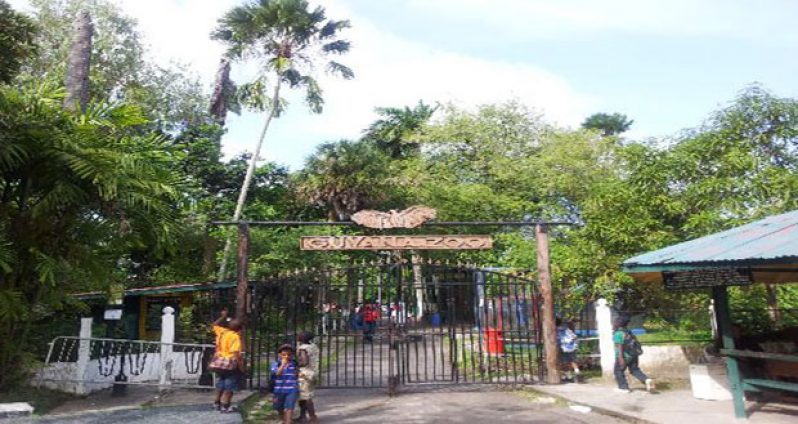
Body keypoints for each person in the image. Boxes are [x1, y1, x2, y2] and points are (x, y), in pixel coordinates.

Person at [211, 308, 245, 413]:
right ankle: (225, 406)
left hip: (219, 362)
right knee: (229, 386)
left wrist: (223, 316)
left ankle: (216, 403)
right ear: (240, 329)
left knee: (221, 383)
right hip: (229, 363)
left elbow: (214, 325)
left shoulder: (223, 332)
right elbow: (235, 353)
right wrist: (241, 365)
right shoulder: (235, 337)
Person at [613, 316, 655, 393]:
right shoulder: (628, 332)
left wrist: (621, 358)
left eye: (615, 322)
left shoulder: (618, 334)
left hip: (624, 356)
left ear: (618, 324)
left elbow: (619, 347)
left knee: (618, 371)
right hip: (633, 355)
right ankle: (646, 380)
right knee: (634, 370)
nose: (613, 323)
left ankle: (623, 387)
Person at [271, 344, 300, 424]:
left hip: (291, 389)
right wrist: (283, 364)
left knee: (289, 407)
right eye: (284, 355)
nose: (287, 356)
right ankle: (284, 419)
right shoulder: (276, 363)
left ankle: (288, 421)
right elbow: (277, 373)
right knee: (279, 407)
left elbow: (297, 374)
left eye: (289, 355)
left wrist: (297, 374)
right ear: (279, 355)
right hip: (279, 390)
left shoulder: (294, 363)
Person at [296, 332, 320, 423]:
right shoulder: (313, 346)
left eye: (299, 335)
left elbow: (304, 361)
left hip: (305, 374)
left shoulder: (303, 348)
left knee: (306, 396)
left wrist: (296, 365)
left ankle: (313, 417)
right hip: (313, 372)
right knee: (303, 396)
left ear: (302, 338)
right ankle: (302, 416)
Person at [556, 317, 580, 382]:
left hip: (563, 347)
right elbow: (574, 336)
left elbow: (557, 340)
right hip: (571, 347)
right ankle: (577, 372)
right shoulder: (566, 329)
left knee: (564, 362)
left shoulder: (555, 331)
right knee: (573, 361)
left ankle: (568, 375)